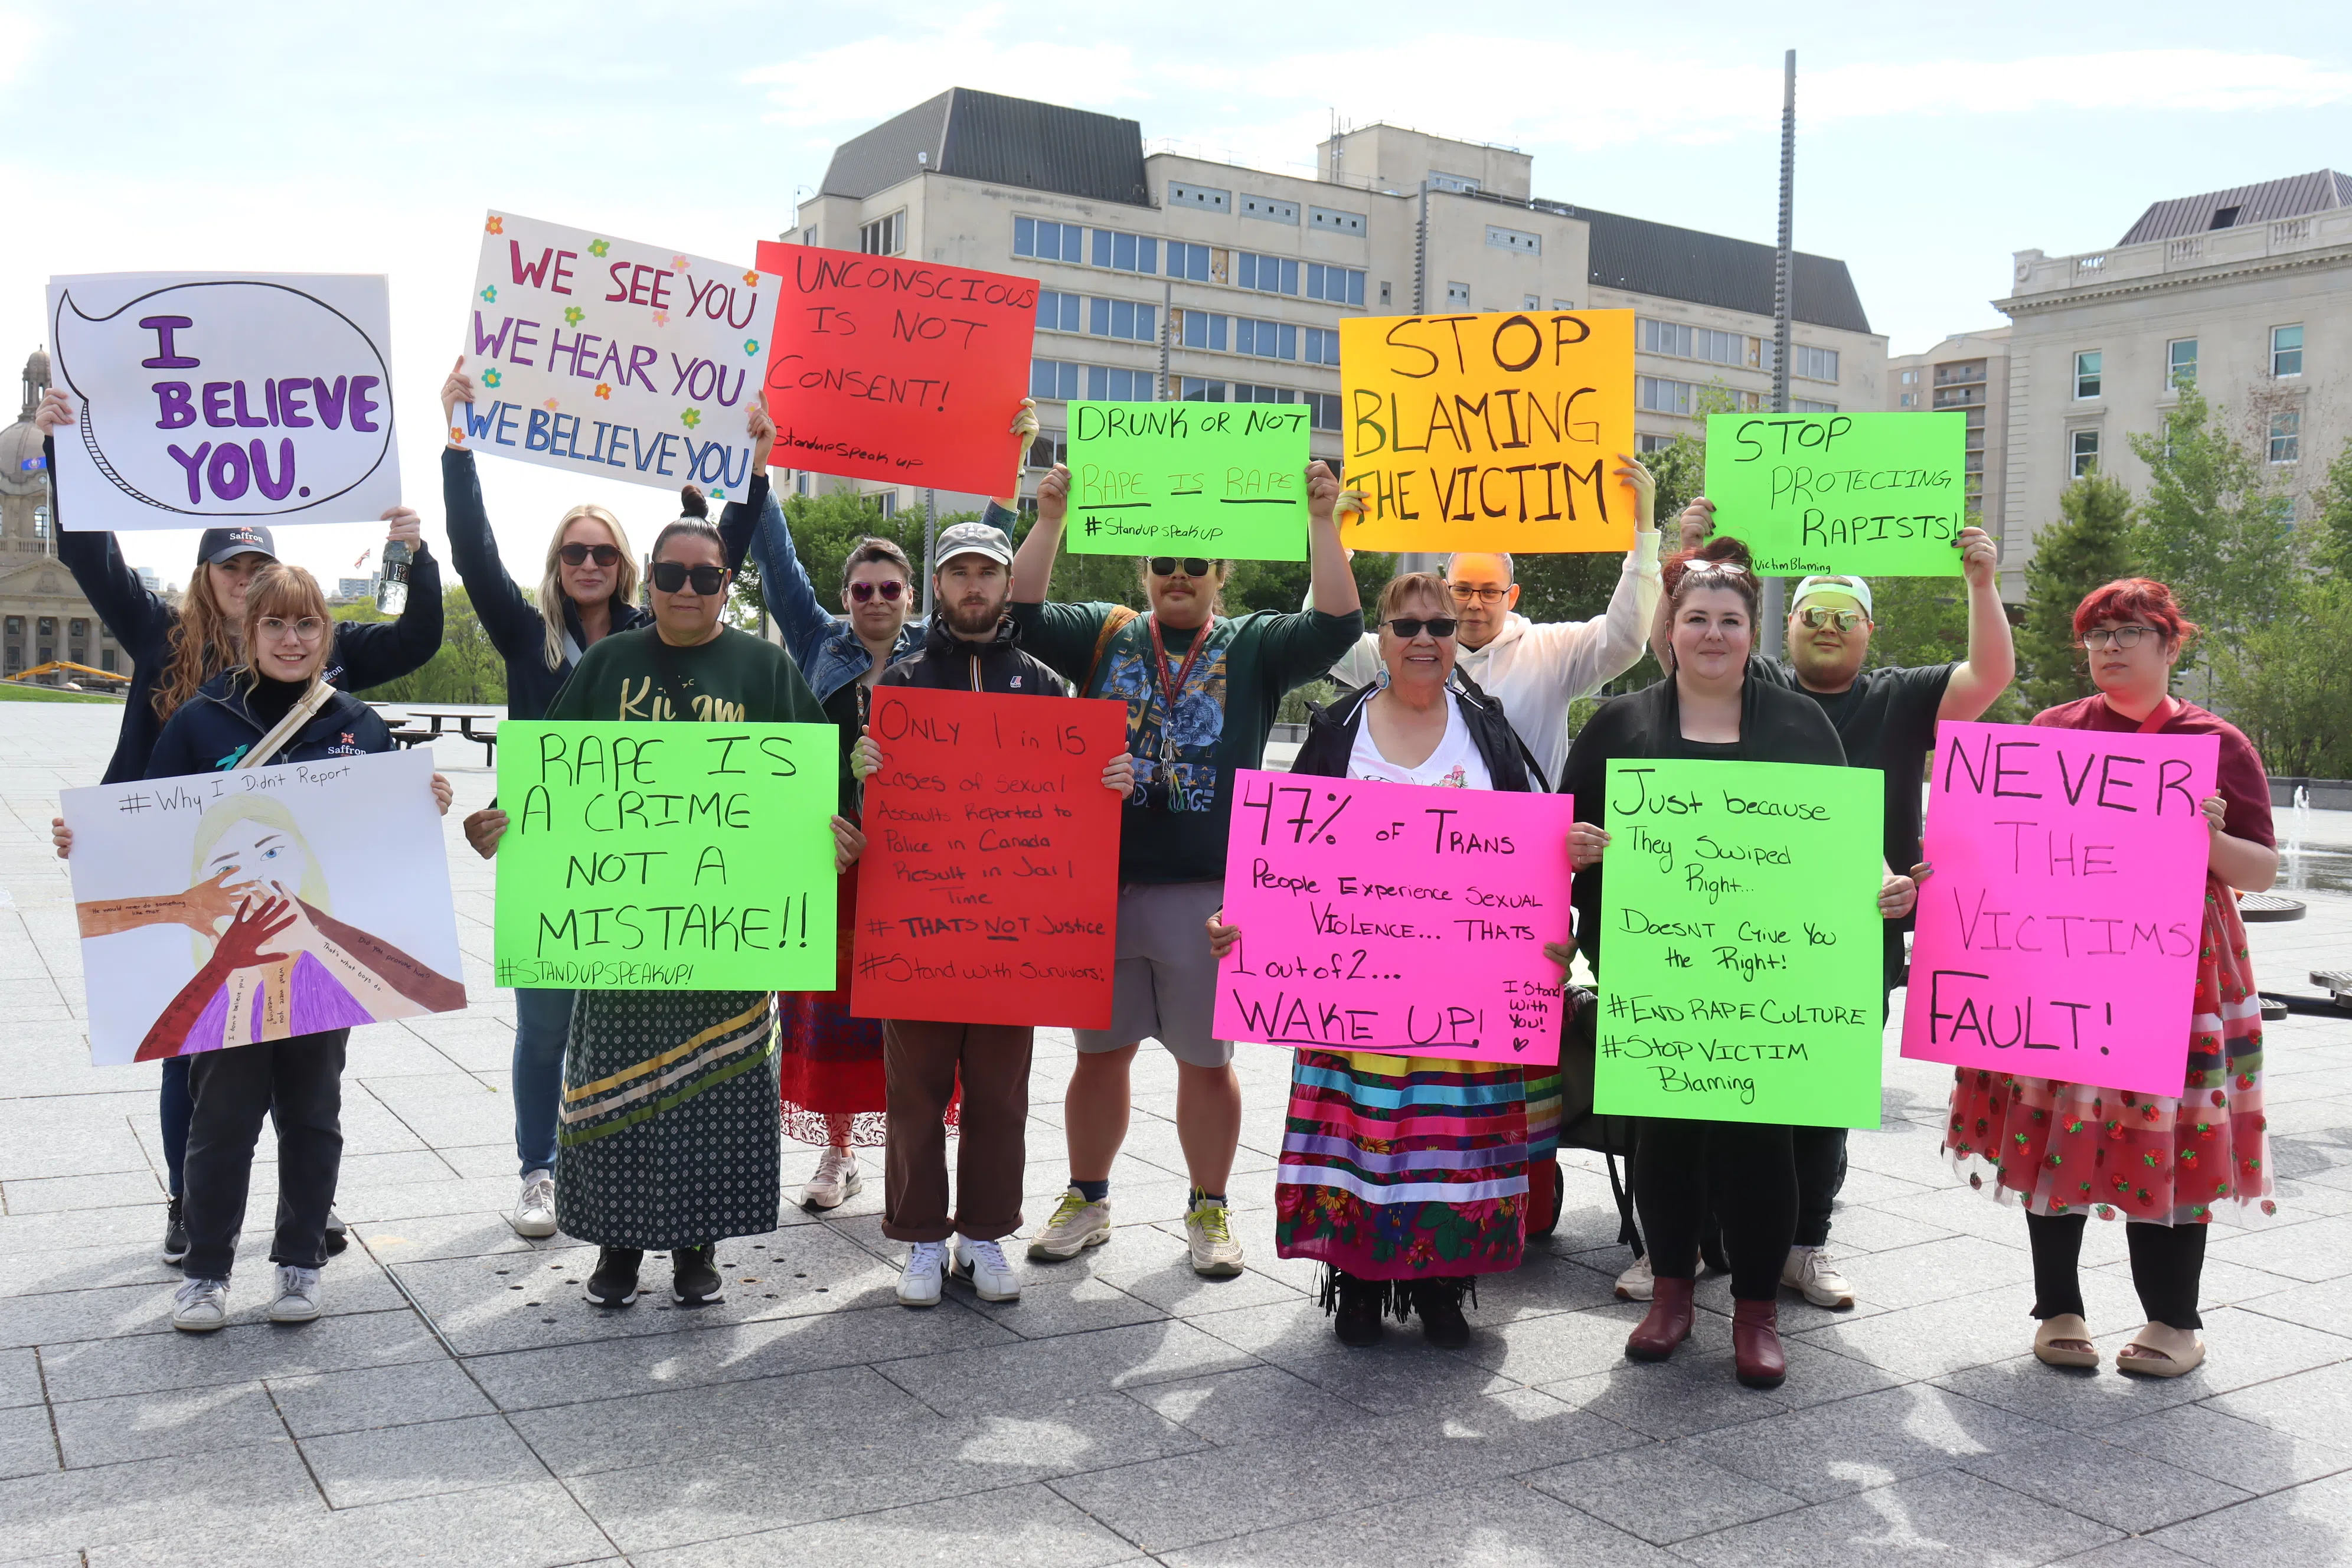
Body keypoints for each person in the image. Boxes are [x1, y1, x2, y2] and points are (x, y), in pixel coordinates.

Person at [36, 388, 442, 1268]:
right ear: (206, 575)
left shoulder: (313, 651)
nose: (249, 582)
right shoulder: (160, 636)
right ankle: (192, 1203)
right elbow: (85, 552)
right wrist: (69, 449)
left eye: (263, 568)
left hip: (289, 884)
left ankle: (307, 1207)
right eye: (233, 567)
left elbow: (414, 644)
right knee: (191, 1051)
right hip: (184, 865)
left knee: (306, 1056)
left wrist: (415, 553)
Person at [466, 514, 859, 1309]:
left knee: (713, 1091)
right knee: (609, 1088)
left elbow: (821, 780)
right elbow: (554, 767)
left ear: (725, 585)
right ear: (649, 581)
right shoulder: (611, 662)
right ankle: (615, 1247)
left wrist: (840, 832)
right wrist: (501, 821)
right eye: (672, 575)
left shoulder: (765, 668)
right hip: (624, 930)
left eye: (705, 576)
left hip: (728, 931)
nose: (688, 590)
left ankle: (695, 1248)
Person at [1562, 536, 1916, 1389]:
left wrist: (1883, 885)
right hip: (1656, 973)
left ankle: (1754, 1313)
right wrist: (1569, 847)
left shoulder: (1800, 724)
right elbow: (1558, 834)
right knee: (1666, 1141)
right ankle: (1673, 1298)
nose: (1712, 633)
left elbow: (1846, 842)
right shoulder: (1620, 723)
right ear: (1670, 629)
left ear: (1750, 632)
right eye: (1696, 618)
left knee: (1764, 1147)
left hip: (1773, 981)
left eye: (1728, 620)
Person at [1655, 500, 2017, 1311]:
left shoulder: (1904, 696)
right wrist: (1687, 555)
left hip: (1855, 932)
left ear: (1868, 630)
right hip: (1729, 921)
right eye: (1812, 613)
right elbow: (1677, 643)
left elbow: (1990, 679)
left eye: (1843, 617)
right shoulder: (1758, 682)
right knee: (1702, 1085)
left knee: (1823, 1099)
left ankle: (1803, 1248)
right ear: (1783, 633)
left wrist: (1982, 583)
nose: (1826, 627)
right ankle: (1686, 1247)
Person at [1008, 461, 1363, 1276]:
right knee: (1099, 1056)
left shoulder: (1256, 644)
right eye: (1163, 563)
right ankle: (1088, 1200)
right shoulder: (1106, 631)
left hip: (1209, 895)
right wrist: (1051, 518)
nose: (1177, 576)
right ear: (1144, 570)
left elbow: (1339, 625)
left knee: (1209, 1063)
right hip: (1103, 888)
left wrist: (1321, 520)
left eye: (1194, 565)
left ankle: (1209, 1211)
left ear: (1220, 575)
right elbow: (1021, 613)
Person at [439, 360, 762, 1240]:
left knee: (623, 1029)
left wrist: (754, 473)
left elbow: (715, 556)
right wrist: (458, 442)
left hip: (644, 854)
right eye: (574, 552)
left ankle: (619, 1173)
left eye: (604, 552)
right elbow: (472, 551)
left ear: (631, 567)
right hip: (546, 853)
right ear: (558, 564)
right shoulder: (523, 633)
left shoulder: (650, 634)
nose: (588, 563)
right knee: (544, 1027)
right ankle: (539, 1170)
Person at [1206, 571, 1564, 1349]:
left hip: (1457, 999)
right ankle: (1360, 1285)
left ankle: (1440, 1286)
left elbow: (1526, 852)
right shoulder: (1338, 730)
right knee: (1358, 1141)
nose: (1426, 640)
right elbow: (1282, 859)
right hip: (1351, 1005)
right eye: (1406, 627)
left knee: (1447, 1143)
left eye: (1439, 626)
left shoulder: (1489, 731)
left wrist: (1557, 890)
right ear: (1381, 640)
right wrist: (1241, 925)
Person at [1945, 577, 2276, 1378]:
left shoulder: (2216, 742)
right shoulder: (2055, 730)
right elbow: (2004, 839)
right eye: (2098, 636)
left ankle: (2174, 1320)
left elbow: (2260, 870)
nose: (2111, 649)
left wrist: (2204, 836)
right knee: (2050, 1121)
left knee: (2167, 1132)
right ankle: (2057, 1305)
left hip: (2180, 967)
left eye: (2130, 633)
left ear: (2170, 646)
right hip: (2063, 954)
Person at [117, 563, 452, 1331]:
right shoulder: (200, 721)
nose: (292, 639)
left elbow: (378, 846)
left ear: (325, 634)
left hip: (313, 962)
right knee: (222, 1118)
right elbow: (145, 827)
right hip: (227, 958)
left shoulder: (357, 725)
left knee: (313, 1112)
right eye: (276, 624)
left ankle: (300, 1262)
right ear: (249, 632)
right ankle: (205, 1272)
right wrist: (88, 839)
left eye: (307, 625)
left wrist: (421, 806)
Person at [746, 401, 1037, 1210]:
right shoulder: (817, 643)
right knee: (831, 1012)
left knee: (913, 1010)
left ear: (915, 595)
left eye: (890, 587)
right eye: (861, 588)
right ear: (846, 596)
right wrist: (762, 469)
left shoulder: (933, 657)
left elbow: (984, 554)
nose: (875, 598)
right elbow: (775, 560)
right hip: (833, 854)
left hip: (922, 864)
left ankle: (918, 1152)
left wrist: (1010, 464)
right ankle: (837, 1156)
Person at [847, 519, 1132, 1308]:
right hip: (915, 929)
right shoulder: (898, 684)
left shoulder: (1045, 684)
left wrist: (1109, 778)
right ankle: (920, 1240)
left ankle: (982, 1234)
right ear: (937, 586)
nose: (974, 586)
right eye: (959, 573)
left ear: (1009, 584)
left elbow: (1074, 807)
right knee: (914, 1095)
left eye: (988, 573)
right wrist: (860, 771)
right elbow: (851, 818)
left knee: (1002, 1096)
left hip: (1014, 939)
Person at [71, 793, 465, 1062]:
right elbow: (146, 1049)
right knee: (223, 1112)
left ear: (302, 855)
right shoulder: (216, 967)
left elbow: (435, 995)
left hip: (314, 1026)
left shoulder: (332, 942)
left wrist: (314, 944)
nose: (257, 873)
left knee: (312, 1110)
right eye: (227, 867)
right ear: (201, 877)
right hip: (226, 1008)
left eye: (273, 852)